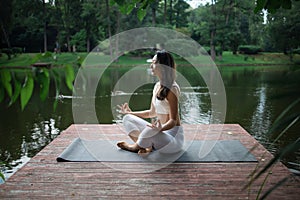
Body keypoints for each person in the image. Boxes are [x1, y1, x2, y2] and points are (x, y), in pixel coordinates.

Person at [117, 50, 184, 156]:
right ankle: (145, 147)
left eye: (154, 62)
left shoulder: (172, 89)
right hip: (159, 134)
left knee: (150, 130)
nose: (151, 65)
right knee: (127, 118)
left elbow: (173, 121)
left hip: (172, 140)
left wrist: (160, 129)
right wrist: (130, 113)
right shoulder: (157, 86)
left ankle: (135, 147)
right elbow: (151, 113)